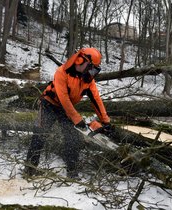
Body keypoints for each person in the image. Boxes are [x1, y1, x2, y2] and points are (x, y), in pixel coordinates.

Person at [24, 47, 112, 178]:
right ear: (80, 60)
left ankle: (72, 171)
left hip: (66, 109)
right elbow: (63, 98)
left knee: (73, 138)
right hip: (49, 103)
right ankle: (30, 169)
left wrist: (106, 121)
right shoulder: (62, 72)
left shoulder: (87, 80)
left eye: (94, 69)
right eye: (90, 67)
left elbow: (96, 99)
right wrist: (77, 118)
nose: (91, 72)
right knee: (40, 134)